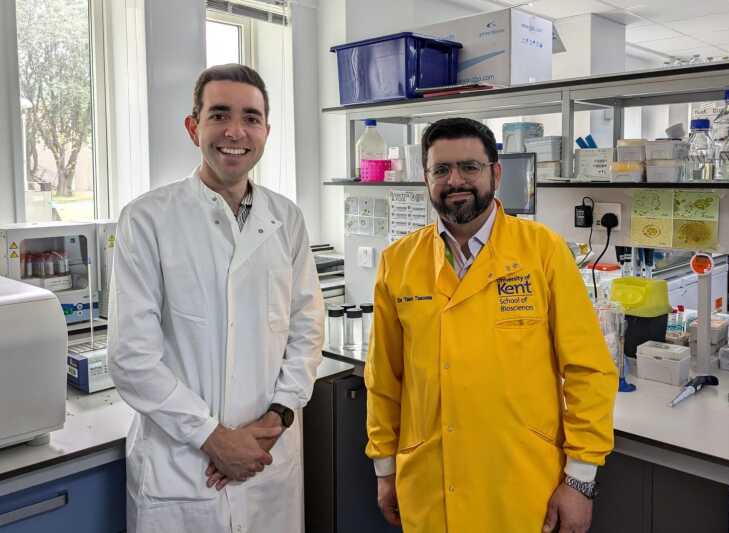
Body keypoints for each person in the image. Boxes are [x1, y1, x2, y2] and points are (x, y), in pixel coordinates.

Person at [365, 117, 618, 533]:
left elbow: (588, 371)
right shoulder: (399, 262)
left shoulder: (543, 251)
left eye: (470, 167)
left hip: (520, 484)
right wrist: (385, 468)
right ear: (426, 178)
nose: (455, 180)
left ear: (495, 173)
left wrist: (580, 480)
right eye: (441, 170)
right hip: (429, 482)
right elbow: (384, 379)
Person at [108, 64, 324, 533]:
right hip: (182, 470)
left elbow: (307, 328)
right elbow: (131, 357)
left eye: (251, 118)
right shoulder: (147, 220)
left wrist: (276, 418)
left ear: (266, 130)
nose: (235, 131)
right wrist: (212, 437)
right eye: (219, 114)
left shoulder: (287, 219)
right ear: (194, 127)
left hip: (269, 458)